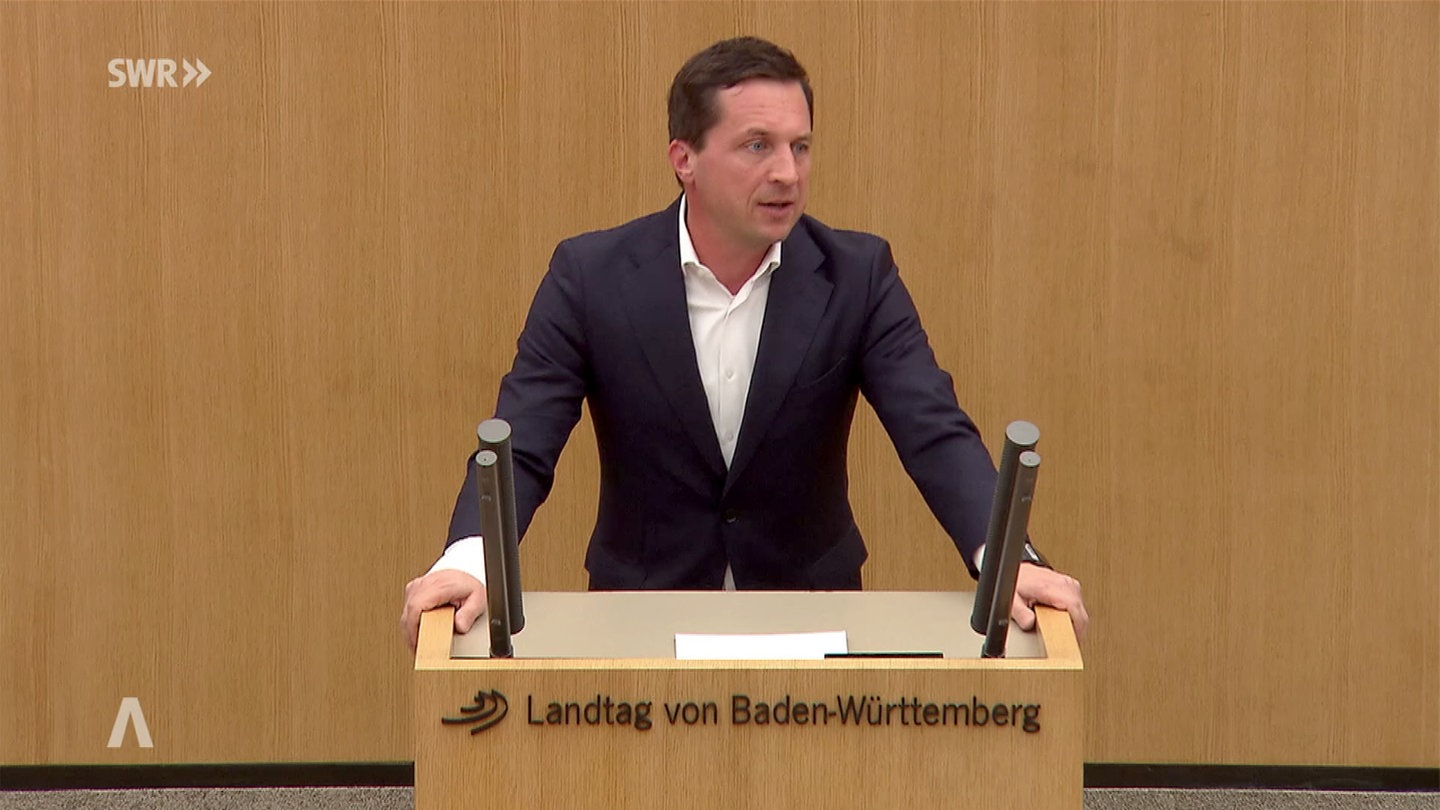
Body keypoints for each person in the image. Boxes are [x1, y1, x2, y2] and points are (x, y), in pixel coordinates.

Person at [401, 36, 1087, 652]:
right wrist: (469, 563)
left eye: (800, 146)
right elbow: (523, 442)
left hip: (809, 615)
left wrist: (1006, 560)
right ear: (685, 160)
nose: (787, 172)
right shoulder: (591, 276)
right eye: (757, 146)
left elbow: (932, 430)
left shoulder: (857, 276)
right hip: (641, 616)